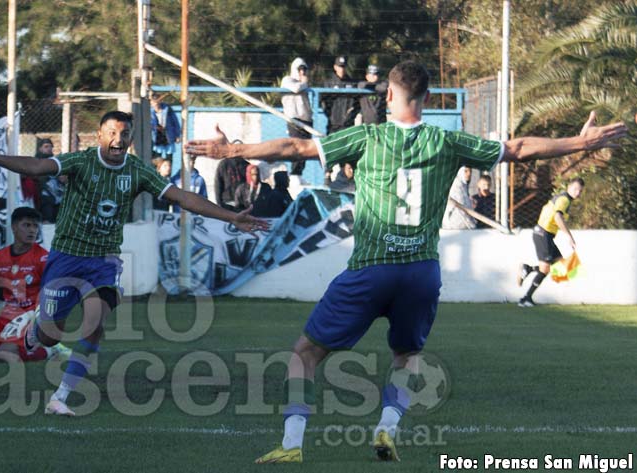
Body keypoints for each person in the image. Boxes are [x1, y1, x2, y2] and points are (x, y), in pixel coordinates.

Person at [186, 60, 626, 464]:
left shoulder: (368, 137)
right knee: (407, 355)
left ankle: (292, 445)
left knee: (305, 352)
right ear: (429, 100)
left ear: (389, 98)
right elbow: (519, 148)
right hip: (420, 271)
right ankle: (387, 427)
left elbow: (295, 148)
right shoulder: (448, 141)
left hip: (371, 267)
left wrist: (232, 151)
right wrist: (579, 141)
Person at [0, 111, 269, 416]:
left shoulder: (138, 170)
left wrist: (231, 216)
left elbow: (182, 197)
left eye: (124, 134)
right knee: (50, 335)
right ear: (99, 135)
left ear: (130, 139)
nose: (118, 139)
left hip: (104, 261)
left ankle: (61, 397)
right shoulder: (81, 161)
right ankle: (34, 331)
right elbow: (38, 166)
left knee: (95, 324)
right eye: (112, 133)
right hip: (67, 257)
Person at [0, 207, 63, 363]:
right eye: (27, 225)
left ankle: (48, 349)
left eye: (35, 226)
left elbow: (51, 294)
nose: (32, 230)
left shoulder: (43, 258)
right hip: (6, 319)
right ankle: (9, 346)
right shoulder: (0, 257)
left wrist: (32, 316)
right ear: (14, 227)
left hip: (31, 320)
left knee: (6, 355)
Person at [517, 177, 585, 307]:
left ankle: (528, 269)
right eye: (576, 189)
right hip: (543, 233)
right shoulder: (564, 199)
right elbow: (557, 216)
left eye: (580, 191)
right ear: (569, 187)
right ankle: (525, 299)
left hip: (544, 234)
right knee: (545, 268)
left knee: (560, 265)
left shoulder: (564, 199)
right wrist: (569, 236)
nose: (578, 193)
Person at [281, 58, 313, 176]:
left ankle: (299, 174)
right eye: (300, 69)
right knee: (296, 148)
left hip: (306, 120)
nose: (302, 73)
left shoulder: (305, 84)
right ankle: (294, 175)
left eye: (304, 70)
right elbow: (295, 88)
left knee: (306, 150)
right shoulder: (287, 80)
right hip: (295, 120)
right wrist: (304, 83)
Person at [321, 56, 357, 134]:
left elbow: (356, 102)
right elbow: (323, 101)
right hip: (333, 123)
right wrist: (329, 115)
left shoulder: (352, 83)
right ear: (335, 67)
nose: (342, 69)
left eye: (343, 67)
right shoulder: (329, 83)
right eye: (340, 67)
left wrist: (350, 114)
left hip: (348, 123)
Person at [214, 136, 250, 211]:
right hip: (227, 202)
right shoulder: (224, 164)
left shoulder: (247, 165)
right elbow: (218, 184)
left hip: (243, 203)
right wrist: (219, 203)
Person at [151, 92, 181, 161]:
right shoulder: (149, 112)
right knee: (156, 157)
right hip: (156, 137)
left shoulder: (167, 109)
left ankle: (168, 171)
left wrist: (177, 135)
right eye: (154, 102)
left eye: (157, 101)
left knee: (169, 157)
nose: (156, 104)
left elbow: (175, 122)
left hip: (168, 135)